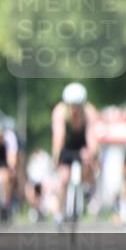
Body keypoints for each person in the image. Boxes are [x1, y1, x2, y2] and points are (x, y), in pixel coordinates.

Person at [51, 82, 100, 222]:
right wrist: (56, 158)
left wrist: (92, 155)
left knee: (88, 162)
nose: (74, 110)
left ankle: (87, 191)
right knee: (64, 179)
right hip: (66, 146)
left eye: (77, 106)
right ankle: (59, 213)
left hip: (82, 145)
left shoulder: (89, 112)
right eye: (71, 106)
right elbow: (58, 137)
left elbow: (92, 138)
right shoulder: (59, 112)